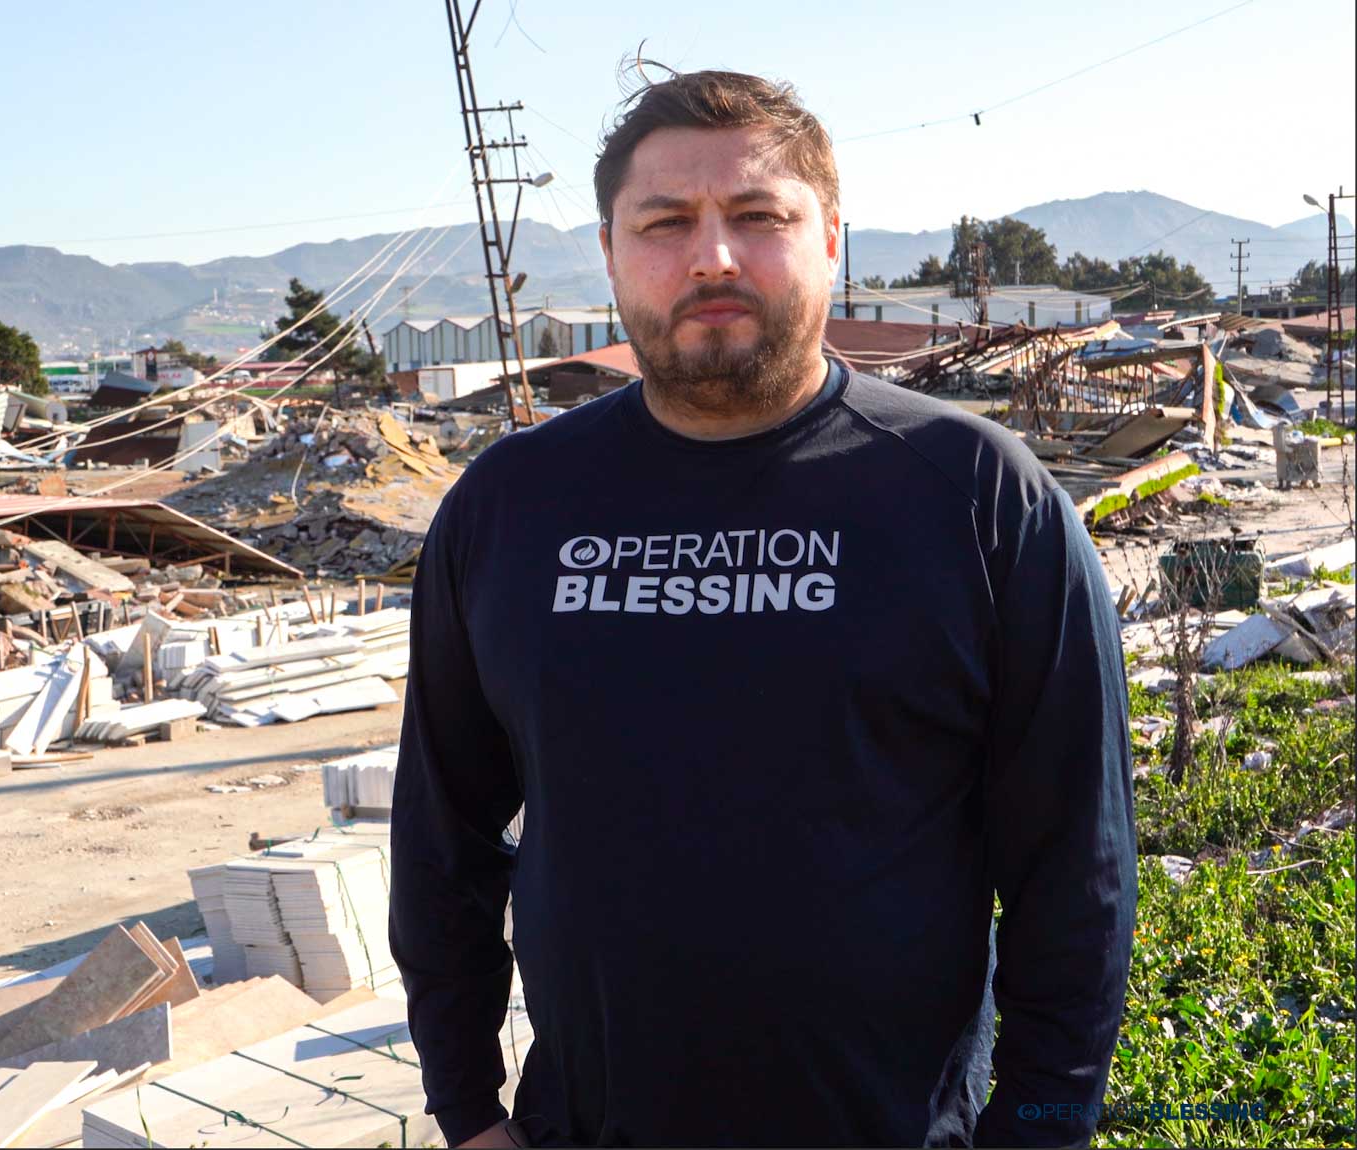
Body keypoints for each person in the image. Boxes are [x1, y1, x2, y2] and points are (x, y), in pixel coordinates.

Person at [387, 70, 1136, 1148]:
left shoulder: (976, 497)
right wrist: (465, 1109)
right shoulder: (508, 508)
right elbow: (440, 837)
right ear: (607, 252)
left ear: (831, 237)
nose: (710, 257)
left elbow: (1077, 872)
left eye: (756, 216)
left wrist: (1041, 1127)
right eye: (664, 222)